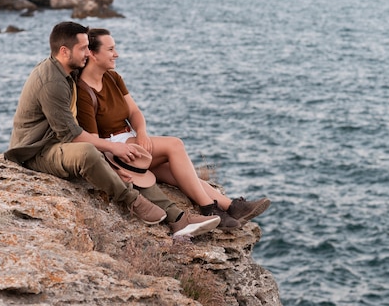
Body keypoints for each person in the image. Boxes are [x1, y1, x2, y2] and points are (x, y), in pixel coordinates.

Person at [4, 21, 220, 238]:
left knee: (119, 161)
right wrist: (113, 148)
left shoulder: (66, 71)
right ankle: (133, 201)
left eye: (89, 47)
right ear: (64, 51)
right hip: (36, 151)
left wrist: (115, 150)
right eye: (82, 48)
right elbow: (71, 134)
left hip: (55, 142)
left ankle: (180, 219)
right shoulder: (52, 81)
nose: (87, 53)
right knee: (91, 153)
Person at [75, 28, 270, 230]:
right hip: (116, 151)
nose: (117, 54)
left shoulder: (112, 78)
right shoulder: (83, 91)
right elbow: (94, 142)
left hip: (132, 141)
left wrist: (141, 133)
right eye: (111, 49)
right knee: (175, 145)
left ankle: (231, 206)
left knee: (183, 175)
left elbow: (135, 113)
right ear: (92, 54)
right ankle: (208, 208)